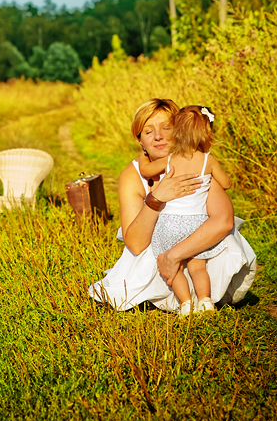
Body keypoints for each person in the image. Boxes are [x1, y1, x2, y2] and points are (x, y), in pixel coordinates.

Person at [88, 98, 256, 311]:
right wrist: (156, 199)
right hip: (156, 252)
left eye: (166, 128)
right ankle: (182, 298)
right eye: (148, 131)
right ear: (139, 140)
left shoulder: (196, 166)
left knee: (223, 241)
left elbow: (223, 221)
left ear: (181, 130)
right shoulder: (132, 175)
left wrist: (174, 255)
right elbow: (136, 244)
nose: (158, 136)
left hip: (195, 252)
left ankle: (202, 297)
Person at [147, 105, 231, 315]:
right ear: (206, 133)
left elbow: (146, 170)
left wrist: (147, 158)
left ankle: (185, 304)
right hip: (196, 224)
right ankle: (205, 301)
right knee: (198, 267)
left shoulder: (169, 159)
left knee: (174, 269)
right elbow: (226, 183)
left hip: (169, 223)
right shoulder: (207, 160)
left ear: (176, 132)